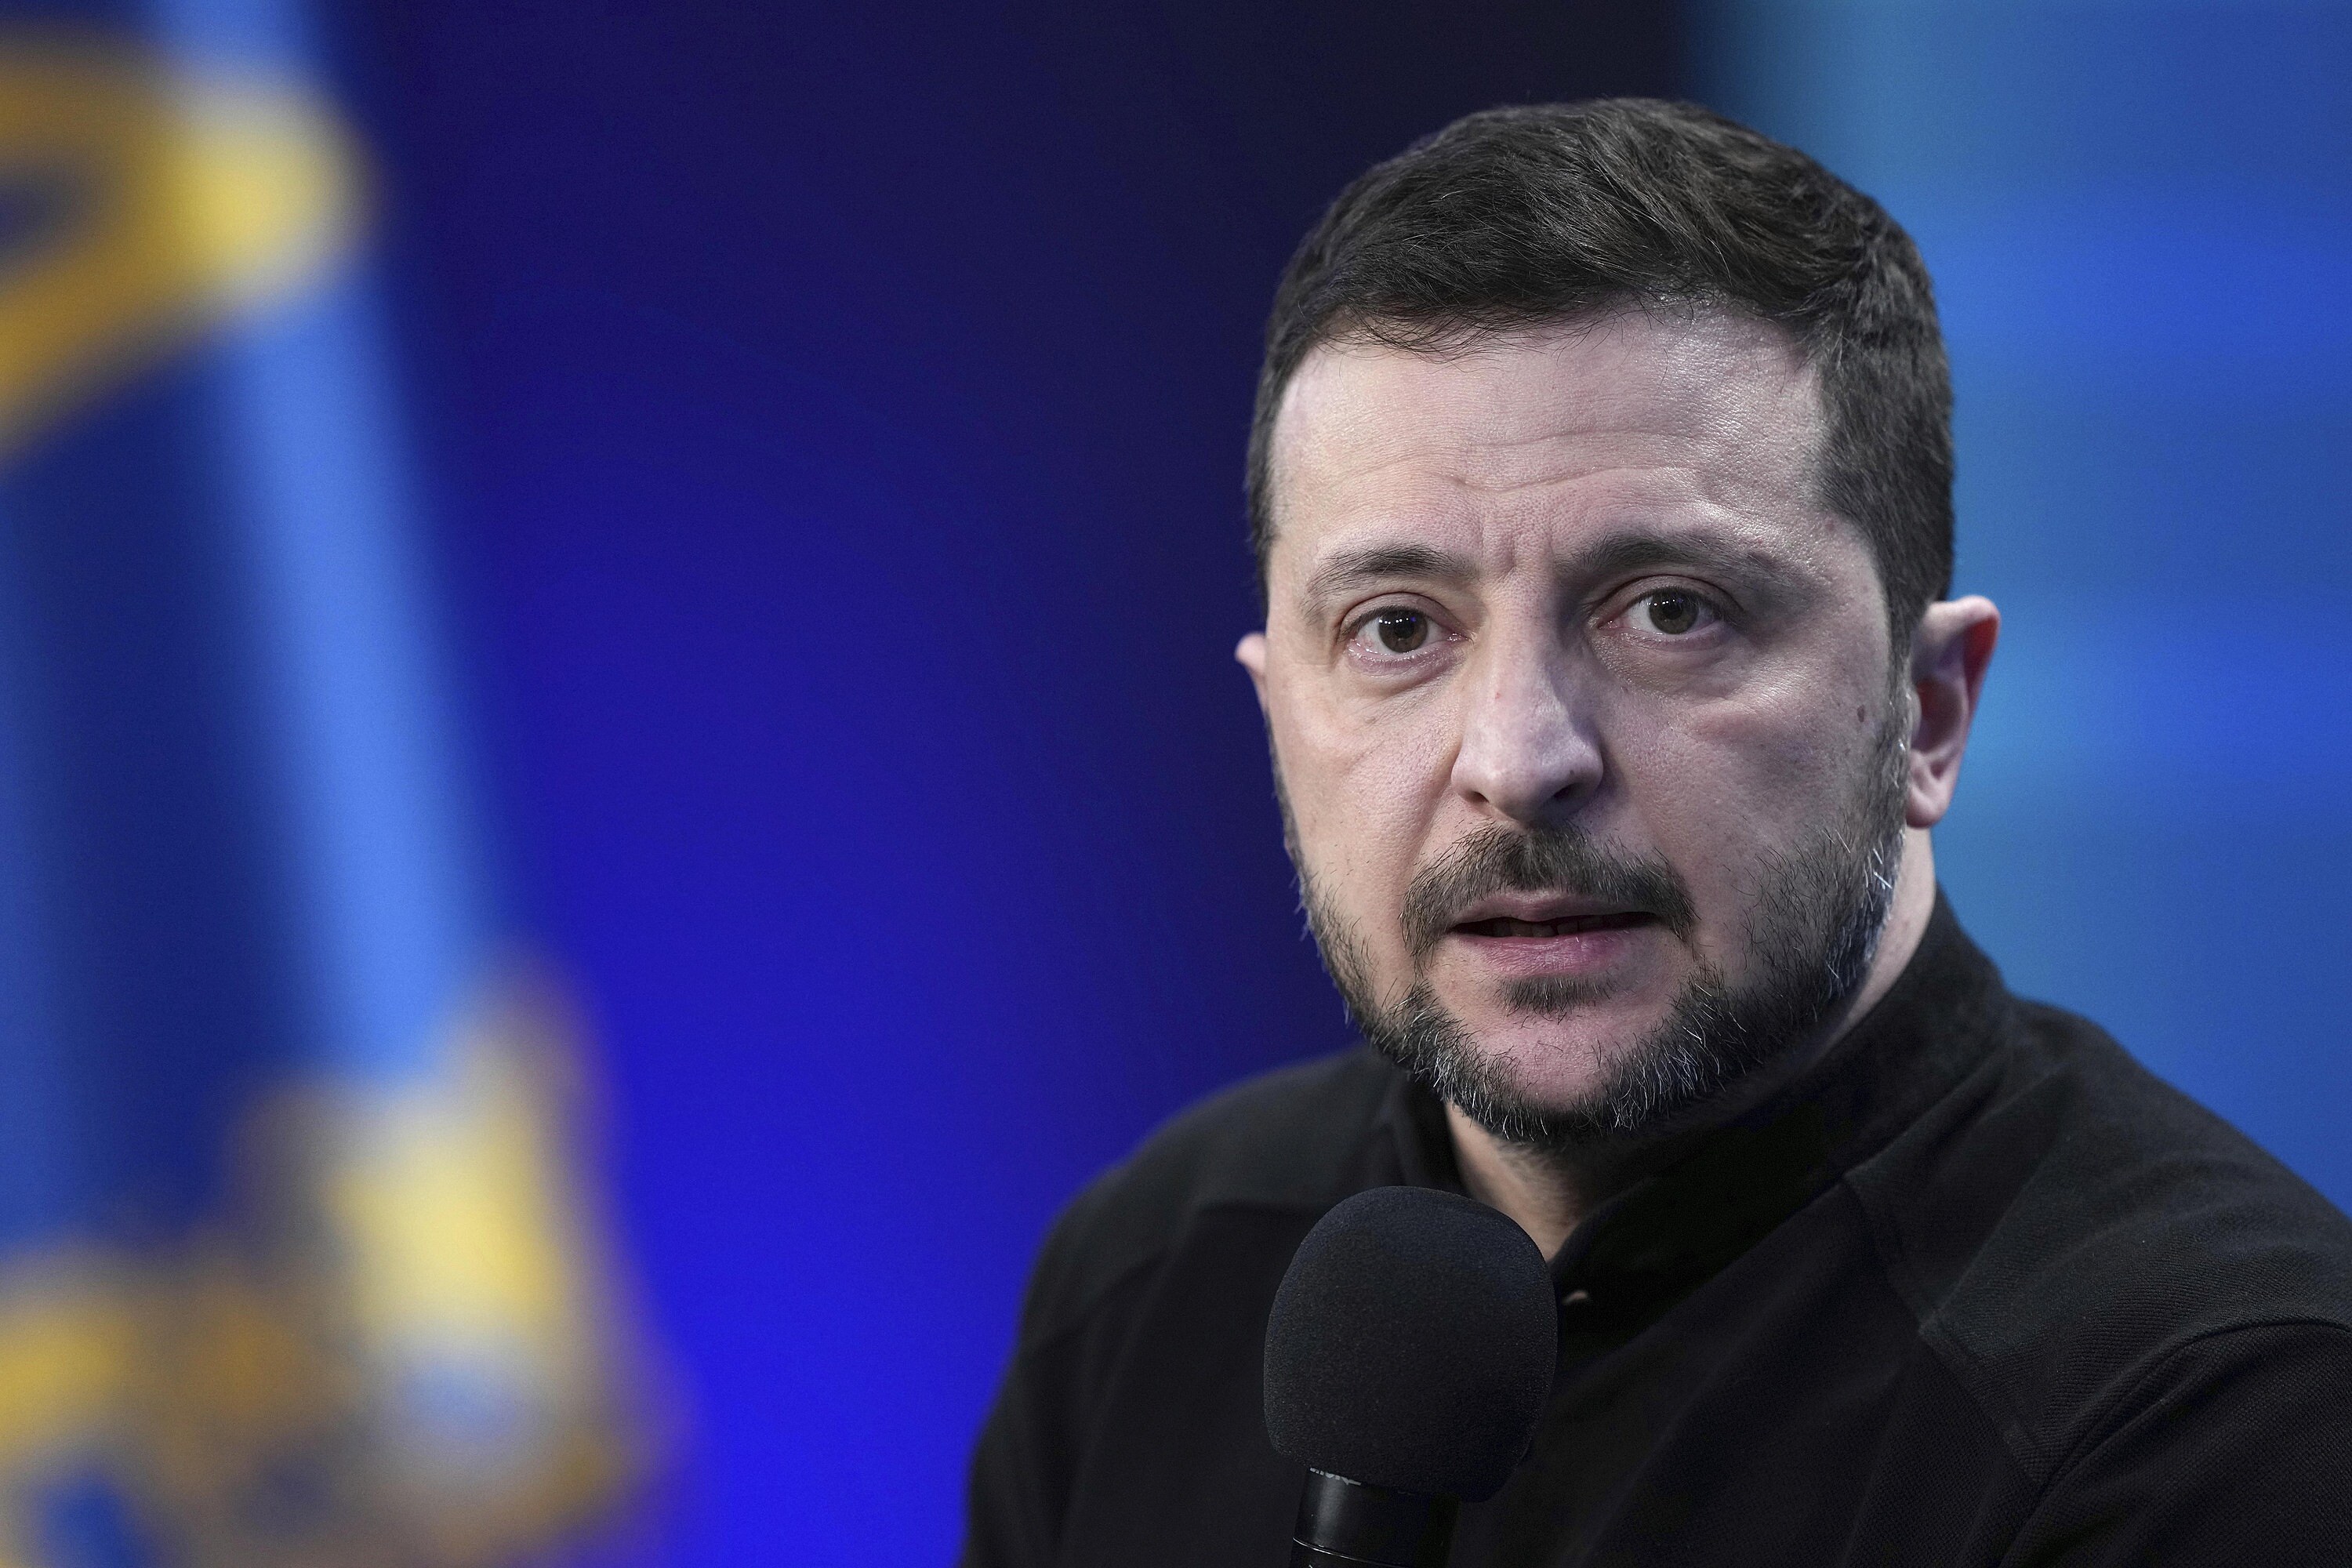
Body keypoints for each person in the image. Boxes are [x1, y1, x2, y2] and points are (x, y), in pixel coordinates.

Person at [960, 100, 2352, 1566]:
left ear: (1929, 712)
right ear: (1276, 713)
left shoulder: (2226, 1424)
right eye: (1398, 629)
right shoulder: (1144, 1277)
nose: (1517, 762)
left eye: (1672, 612)